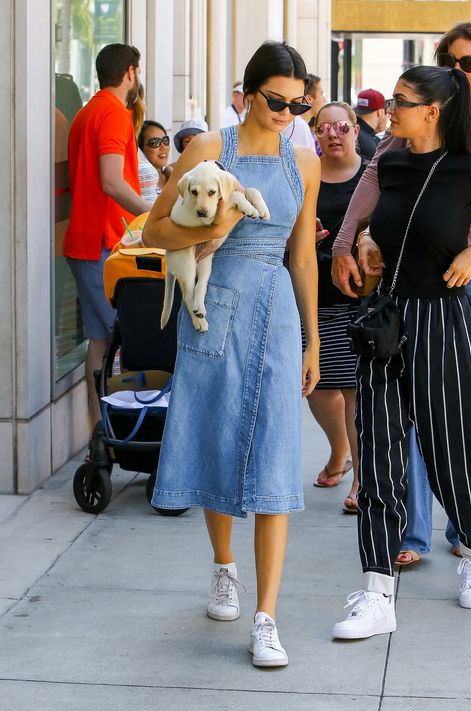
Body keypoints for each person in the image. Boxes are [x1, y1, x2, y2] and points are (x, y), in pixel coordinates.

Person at [142, 40, 320, 667]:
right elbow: (154, 229)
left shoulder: (306, 162)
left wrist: (313, 337)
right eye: (276, 100)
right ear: (247, 94)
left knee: (275, 455)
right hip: (213, 306)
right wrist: (213, 229)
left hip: (274, 314)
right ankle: (224, 567)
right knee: (217, 440)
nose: (288, 112)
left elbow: (302, 256)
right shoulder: (208, 149)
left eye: (299, 102)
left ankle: (267, 617)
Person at [332, 64, 471, 641]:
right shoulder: (388, 162)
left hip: (443, 318)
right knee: (380, 453)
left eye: (401, 101)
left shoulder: (467, 166)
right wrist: (361, 243)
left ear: (433, 110)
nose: (390, 109)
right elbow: (370, 225)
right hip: (387, 320)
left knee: (452, 450)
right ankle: (377, 591)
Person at [64, 44, 151, 428]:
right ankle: (122, 431)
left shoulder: (85, 113)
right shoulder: (115, 114)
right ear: (130, 72)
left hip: (86, 241)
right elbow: (112, 182)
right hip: (102, 242)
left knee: (100, 341)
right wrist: (153, 217)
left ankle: (100, 431)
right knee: (129, 340)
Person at [308, 102, 367, 514]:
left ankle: (362, 479)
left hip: (361, 298)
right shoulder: (306, 174)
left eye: (341, 126)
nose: (333, 134)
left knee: (354, 391)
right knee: (317, 389)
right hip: (316, 294)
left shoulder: (374, 173)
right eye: (323, 127)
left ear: (357, 128)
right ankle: (338, 451)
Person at [138, 120, 171, 200]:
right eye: (154, 142)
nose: (163, 146)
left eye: (165, 140)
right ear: (141, 149)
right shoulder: (137, 186)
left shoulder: (173, 176)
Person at [353, 88, 388, 161]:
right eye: (386, 113)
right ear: (380, 112)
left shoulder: (353, 132)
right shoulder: (357, 136)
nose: (388, 117)